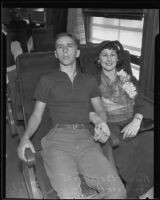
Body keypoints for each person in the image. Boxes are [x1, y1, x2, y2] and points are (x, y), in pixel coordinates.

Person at [17, 33, 126, 199]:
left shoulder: (89, 80)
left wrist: (101, 123)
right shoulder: (47, 80)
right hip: (57, 142)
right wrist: (25, 138)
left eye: (69, 46)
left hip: (87, 141)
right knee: (70, 195)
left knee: (118, 192)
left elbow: (100, 110)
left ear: (77, 52)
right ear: (56, 54)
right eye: (60, 47)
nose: (65, 50)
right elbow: (36, 115)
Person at [90, 40, 154, 199]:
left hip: (132, 122)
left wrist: (137, 120)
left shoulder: (125, 79)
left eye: (113, 55)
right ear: (98, 59)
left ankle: (141, 194)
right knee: (125, 152)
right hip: (111, 126)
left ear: (118, 59)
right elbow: (89, 108)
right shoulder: (92, 82)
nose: (109, 59)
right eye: (104, 55)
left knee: (151, 144)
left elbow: (140, 102)